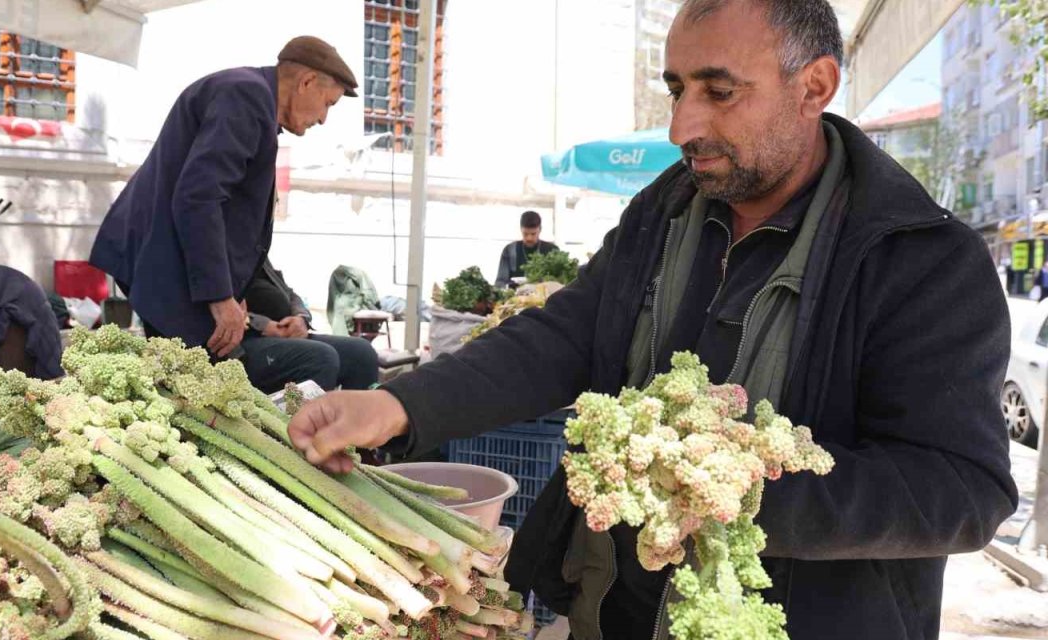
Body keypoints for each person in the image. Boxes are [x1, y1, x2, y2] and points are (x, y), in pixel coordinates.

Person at [287, 1, 1018, 639]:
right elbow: (566, 335)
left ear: (815, 87)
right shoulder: (668, 207)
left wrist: (737, 493)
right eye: (675, 89)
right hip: (611, 613)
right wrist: (400, 405)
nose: (681, 125)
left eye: (719, 92)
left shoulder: (920, 258)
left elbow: (963, 490)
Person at [89, 36, 357, 359]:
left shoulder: (252, 96)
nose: (324, 118)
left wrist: (234, 292)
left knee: (195, 371)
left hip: (171, 259)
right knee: (192, 376)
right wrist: (220, 297)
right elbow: (199, 197)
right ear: (307, 82)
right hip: (163, 259)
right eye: (328, 103)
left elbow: (223, 206)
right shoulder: (247, 96)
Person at [238, 256, 379, 393]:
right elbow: (226, 309)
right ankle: (305, 410)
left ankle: (354, 410)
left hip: (285, 334)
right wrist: (263, 325)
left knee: (361, 352)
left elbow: (290, 293)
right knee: (321, 357)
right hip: (244, 339)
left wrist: (301, 318)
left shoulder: (257, 252)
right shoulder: (228, 252)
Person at [495, 210, 559, 289]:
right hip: (515, 295)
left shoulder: (552, 250)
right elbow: (500, 282)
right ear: (520, 229)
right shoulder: (510, 250)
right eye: (525, 234)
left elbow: (559, 282)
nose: (529, 238)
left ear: (540, 230)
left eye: (533, 234)